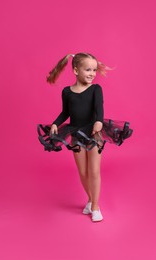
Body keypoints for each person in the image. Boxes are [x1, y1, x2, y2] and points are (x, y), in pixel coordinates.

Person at [37, 52, 133, 222]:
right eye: (88, 70)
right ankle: (90, 200)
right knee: (83, 171)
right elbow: (65, 112)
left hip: (93, 132)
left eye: (94, 70)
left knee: (94, 171)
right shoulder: (67, 92)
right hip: (75, 132)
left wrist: (98, 122)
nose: (92, 73)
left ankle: (95, 207)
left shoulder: (96, 89)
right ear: (76, 71)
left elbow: (99, 109)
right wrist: (54, 123)